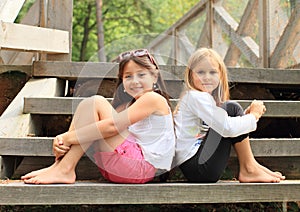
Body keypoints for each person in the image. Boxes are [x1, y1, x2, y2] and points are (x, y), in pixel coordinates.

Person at [21, 49, 175, 184]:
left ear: (155, 77)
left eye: (141, 74)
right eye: (128, 76)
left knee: (96, 102)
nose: (134, 81)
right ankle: (60, 166)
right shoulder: (125, 107)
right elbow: (100, 129)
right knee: (88, 105)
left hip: (139, 167)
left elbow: (112, 127)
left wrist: (66, 138)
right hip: (119, 167)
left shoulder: (153, 99)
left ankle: (65, 168)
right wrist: (66, 139)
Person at [172, 48, 285, 183]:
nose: (207, 77)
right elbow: (226, 128)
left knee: (230, 108)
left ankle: (251, 166)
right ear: (191, 75)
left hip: (197, 166)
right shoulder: (195, 97)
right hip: (199, 168)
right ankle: (249, 168)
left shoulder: (198, 98)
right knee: (230, 109)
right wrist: (253, 116)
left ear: (220, 75)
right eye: (200, 72)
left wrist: (243, 118)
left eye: (212, 72)